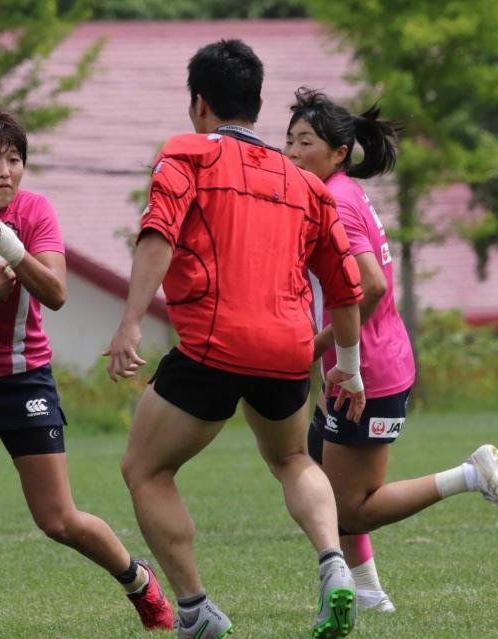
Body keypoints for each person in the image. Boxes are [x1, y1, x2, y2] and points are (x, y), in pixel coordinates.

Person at [106, 40, 368, 639]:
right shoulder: (306, 183)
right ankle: (335, 569)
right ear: (257, 105)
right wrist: (347, 367)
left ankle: (196, 611)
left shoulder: (186, 154)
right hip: (287, 349)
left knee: (145, 470)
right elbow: (346, 287)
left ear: (199, 104)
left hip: (213, 346)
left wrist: (129, 323)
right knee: (294, 458)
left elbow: (157, 236)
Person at [0, 106, 174, 638]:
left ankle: (138, 580)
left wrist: (9, 246)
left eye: (15, 159)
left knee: (58, 519)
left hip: (22, 378)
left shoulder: (35, 211)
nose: (6, 171)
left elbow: (58, 293)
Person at [285, 88, 498, 615]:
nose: (293, 152)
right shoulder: (334, 191)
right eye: (289, 141)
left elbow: (369, 287)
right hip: (357, 360)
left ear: (339, 152)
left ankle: (470, 475)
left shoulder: (337, 201)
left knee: (352, 509)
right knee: (319, 472)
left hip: (368, 367)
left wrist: (320, 349)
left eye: (305, 142)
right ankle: (366, 592)